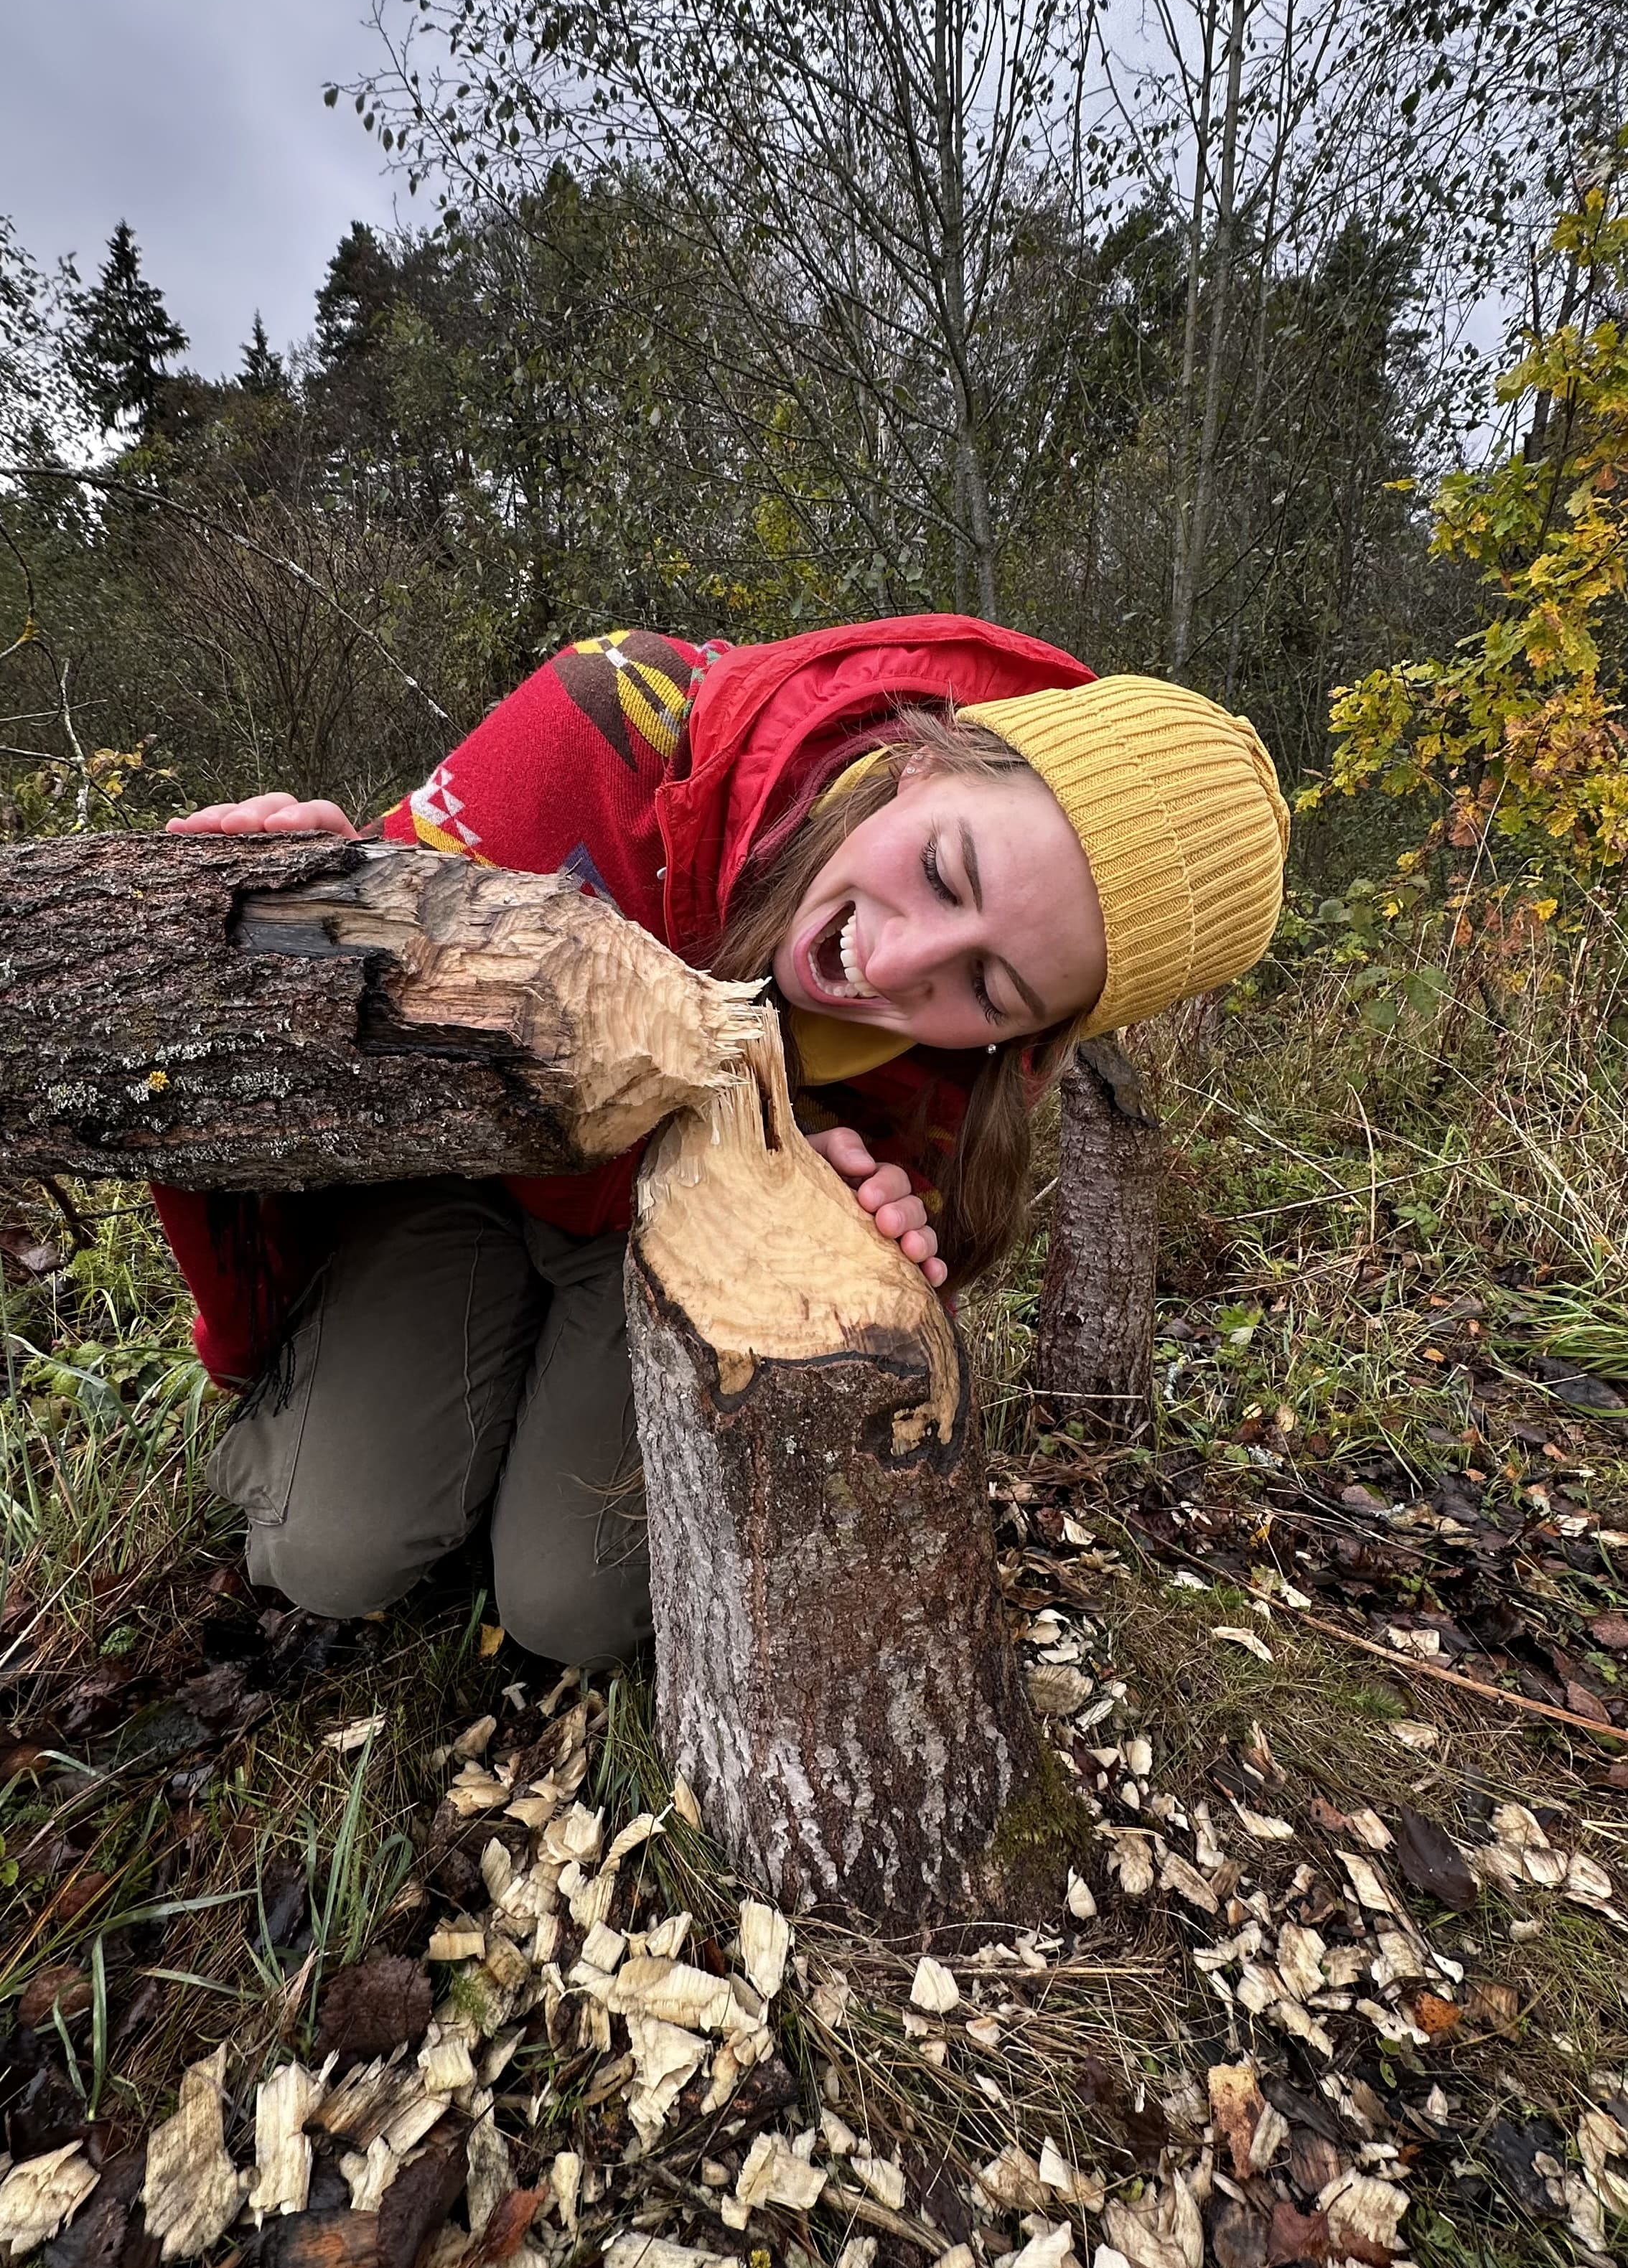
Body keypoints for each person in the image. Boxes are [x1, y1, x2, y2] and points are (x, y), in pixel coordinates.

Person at [155, 612, 1288, 1660]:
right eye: (945, 873)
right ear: (927, 755)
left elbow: (857, 1315)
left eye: (987, 986)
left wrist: (852, 1252)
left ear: (1029, 1039)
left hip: (650, 1248)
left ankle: (502, 1443)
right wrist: (305, 890)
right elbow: (398, 936)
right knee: (327, 1554)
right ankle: (363, 1423)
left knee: (570, 1607)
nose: (893, 964)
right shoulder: (616, 718)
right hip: (465, 1183)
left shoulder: (958, 1081)